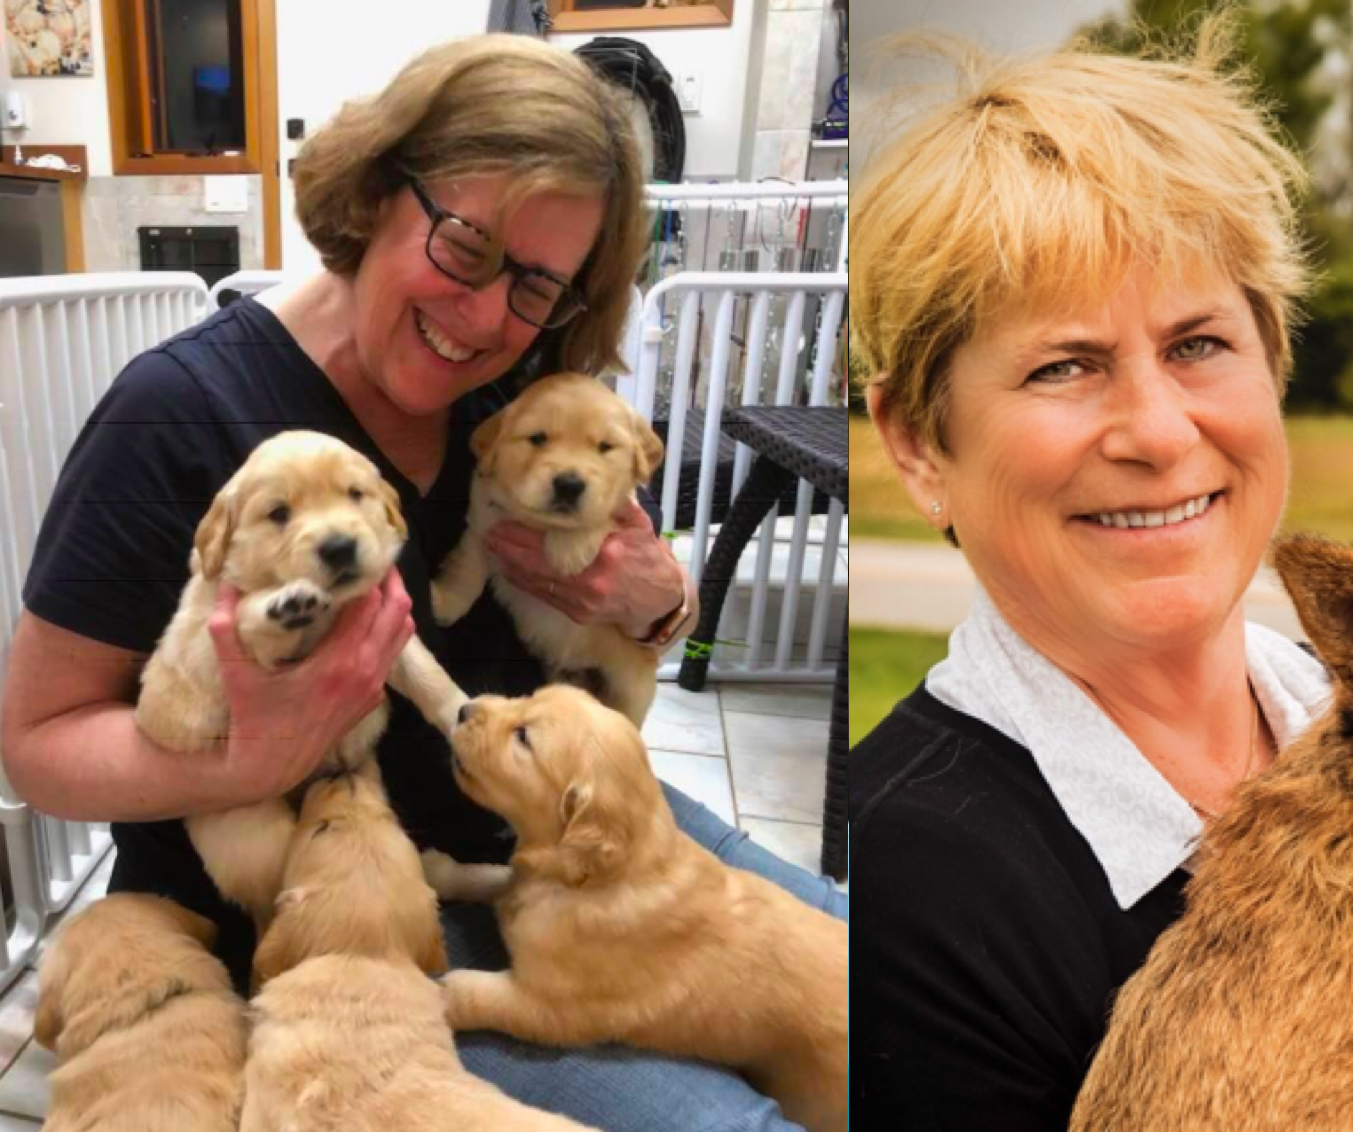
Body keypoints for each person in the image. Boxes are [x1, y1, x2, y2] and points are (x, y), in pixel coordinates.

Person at [0, 35, 844, 1132]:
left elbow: (639, 595)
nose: (490, 316)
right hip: (338, 913)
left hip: (559, 824)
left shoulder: (529, 390)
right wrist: (247, 753)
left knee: (877, 970)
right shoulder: (175, 413)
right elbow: (36, 742)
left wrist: (659, 601)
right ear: (375, 191)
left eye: (539, 283)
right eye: (465, 242)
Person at [848, 25, 1353, 1132]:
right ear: (916, 442)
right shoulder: (902, 891)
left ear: (1273, 360)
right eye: (1063, 365)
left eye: (1198, 342)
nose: (1155, 429)